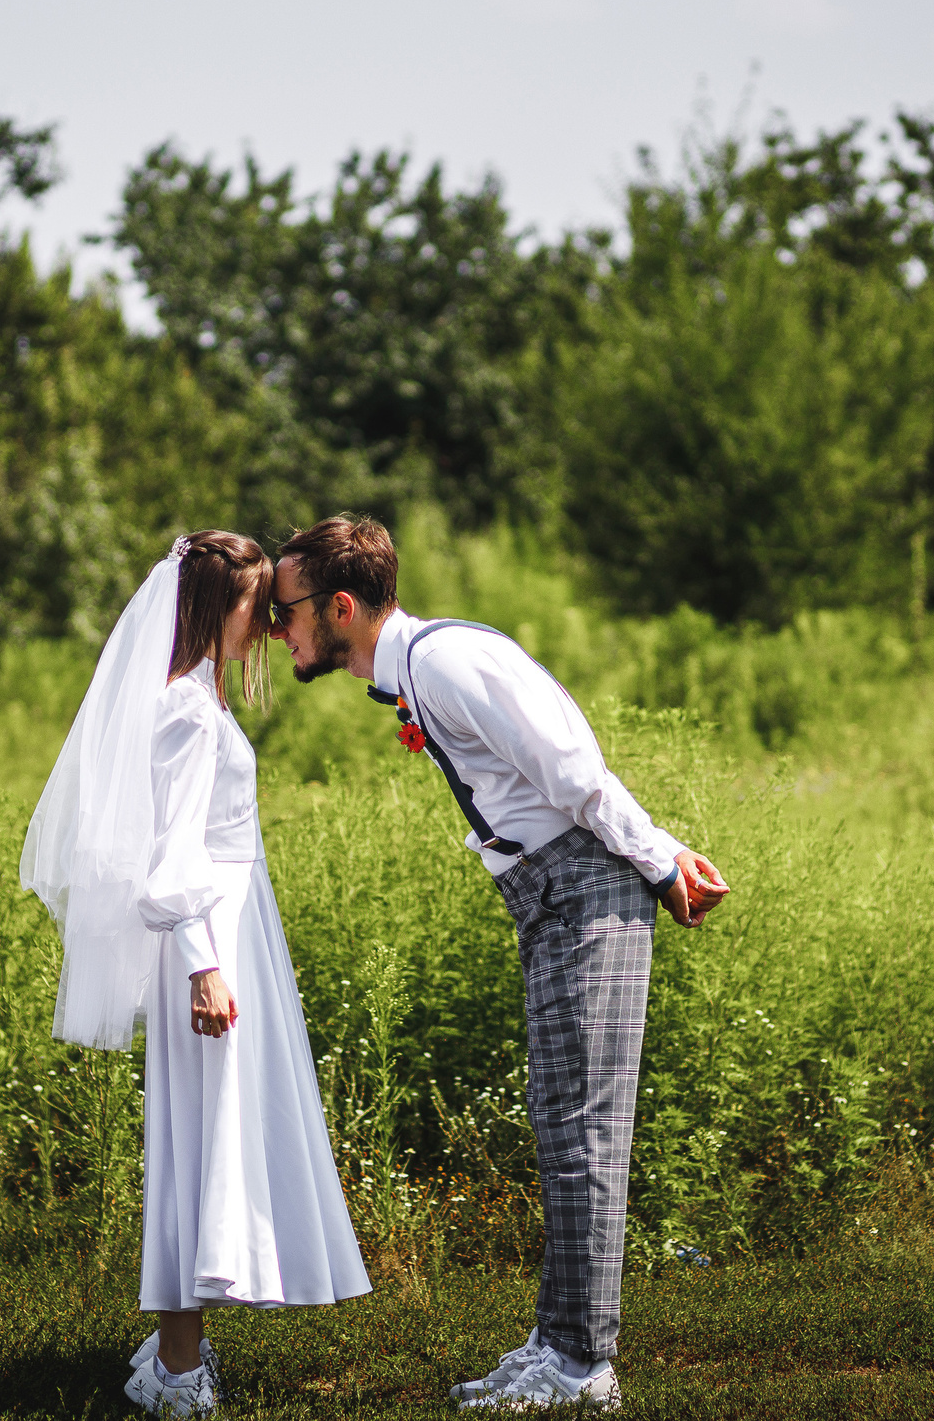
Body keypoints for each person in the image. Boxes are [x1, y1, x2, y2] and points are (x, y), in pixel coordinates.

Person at [270, 515, 731, 1412]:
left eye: (284, 608)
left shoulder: (443, 662)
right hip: (553, 895)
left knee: (587, 1129)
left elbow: (574, 770)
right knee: (561, 1125)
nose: (276, 625)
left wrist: (661, 862)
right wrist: (661, 848)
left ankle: (584, 1364)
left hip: (585, 889)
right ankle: (558, 1340)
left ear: (339, 605)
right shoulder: (416, 670)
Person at [22, 531, 370, 1418]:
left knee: (210, 1139)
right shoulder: (183, 709)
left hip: (228, 932)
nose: (268, 624)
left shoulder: (199, 701)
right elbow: (166, 856)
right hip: (209, 946)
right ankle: (178, 1370)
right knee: (202, 1145)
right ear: (221, 607)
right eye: (260, 606)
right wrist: (204, 966)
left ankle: (177, 1352)